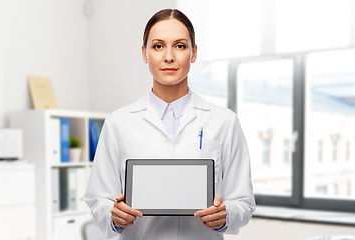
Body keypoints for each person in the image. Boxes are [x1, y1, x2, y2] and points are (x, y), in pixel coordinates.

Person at [84, 8, 256, 240]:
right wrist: (113, 215)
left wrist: (226, 215)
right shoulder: (118, 123)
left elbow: (244, 202)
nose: (168, 57)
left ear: (193, 53)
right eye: (157, 46)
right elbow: (98, 199)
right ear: (145, 54)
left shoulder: (224, 121)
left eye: (180, 46)